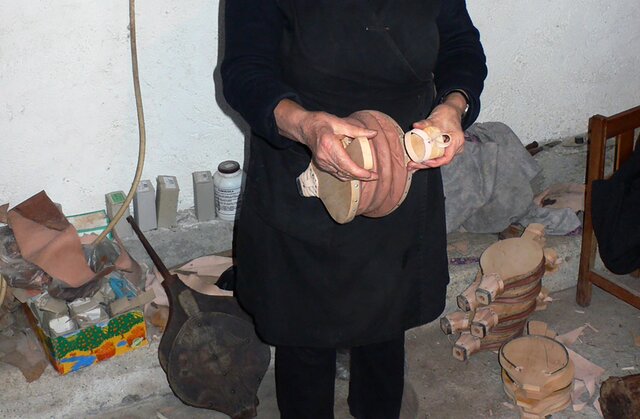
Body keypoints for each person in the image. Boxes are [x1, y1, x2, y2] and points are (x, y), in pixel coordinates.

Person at [221, 1, 487, 417]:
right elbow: (245, 71)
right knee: (305, 334)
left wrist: (453, 107)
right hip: (305, 163)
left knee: (385, 325)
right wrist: (306, 126)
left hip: (398, 171)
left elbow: (460, 45)